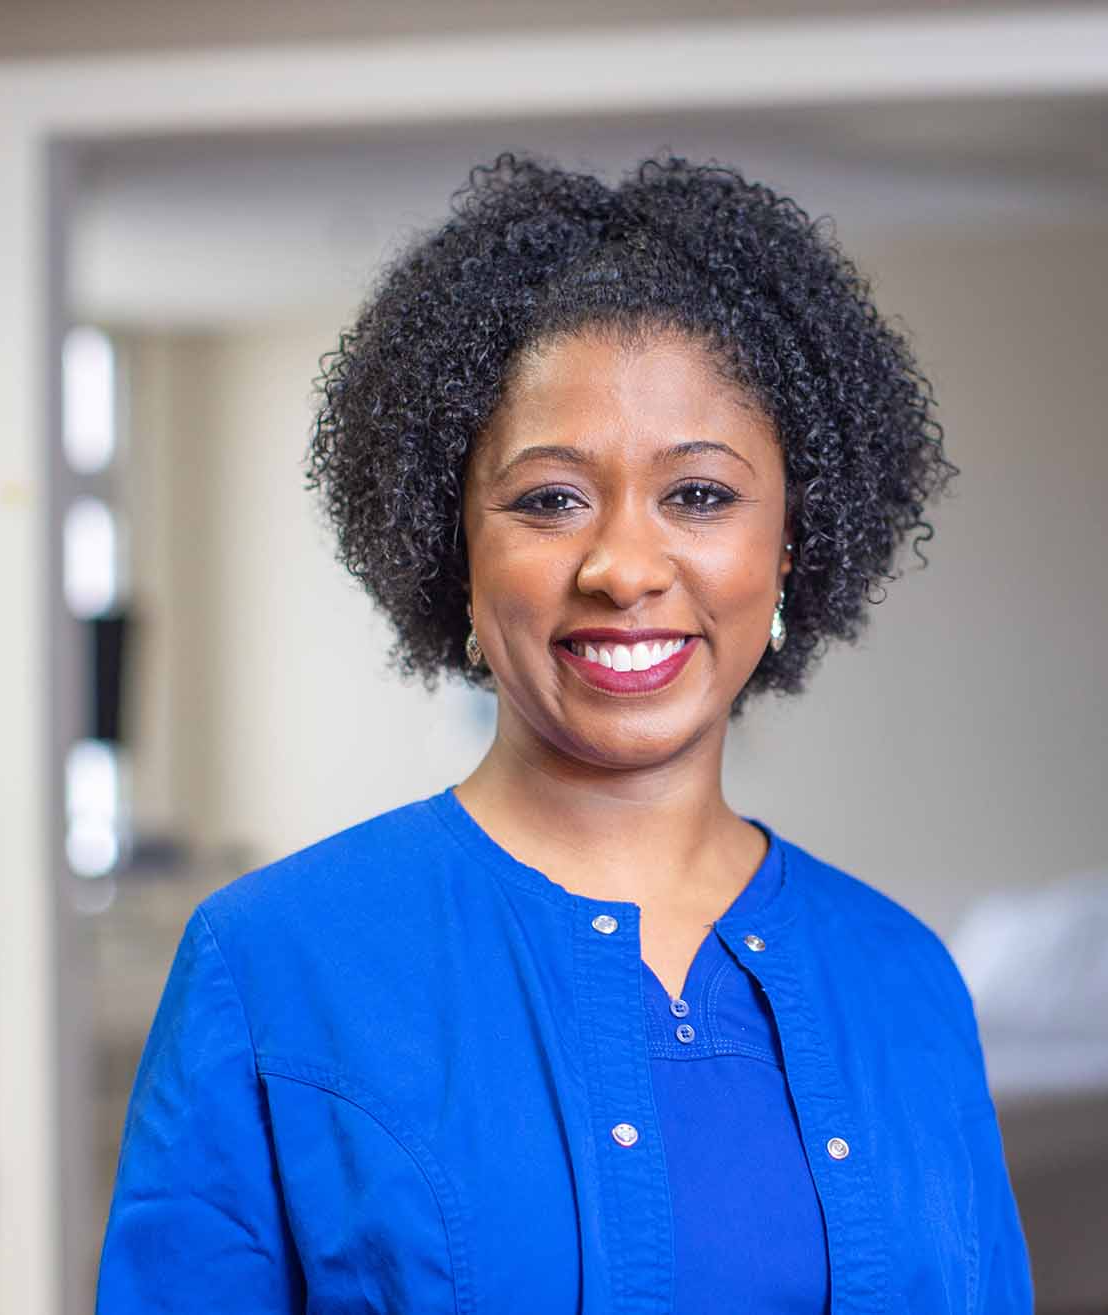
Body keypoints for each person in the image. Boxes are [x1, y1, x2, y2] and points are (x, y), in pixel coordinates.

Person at [96, 154, 1032, 1313]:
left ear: (789, 545)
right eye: (549, 500)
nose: (624, 567)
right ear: (457, 552)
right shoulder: (273, 963)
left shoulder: (905, 981)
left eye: (698, 494)